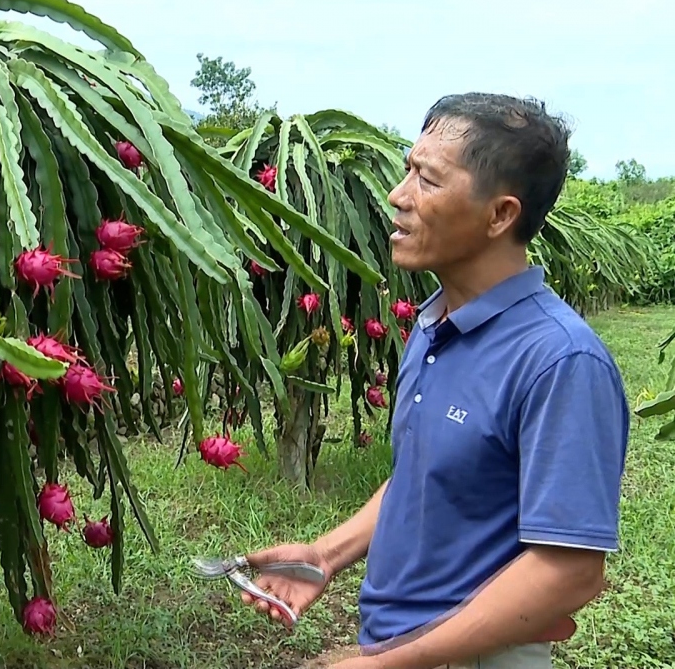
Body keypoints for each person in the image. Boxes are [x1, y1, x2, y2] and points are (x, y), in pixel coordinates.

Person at [239, 93, 630, 669]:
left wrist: (385, 663)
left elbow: (570, 569)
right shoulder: (432, 324)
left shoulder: (560, 360)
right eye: (407, 170)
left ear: (500, 214)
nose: (398, 196)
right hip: (403, 645)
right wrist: (324, 555)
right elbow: (425, 477)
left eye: (429, 180)